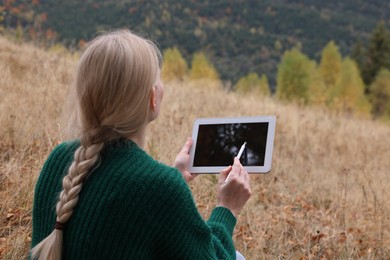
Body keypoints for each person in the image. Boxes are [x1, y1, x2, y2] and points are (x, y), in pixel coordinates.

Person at [30, 29, 251, 260]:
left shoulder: (59, 158)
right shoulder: (160, 187)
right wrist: (227, 208)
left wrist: (174, 180)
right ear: (152, 97)